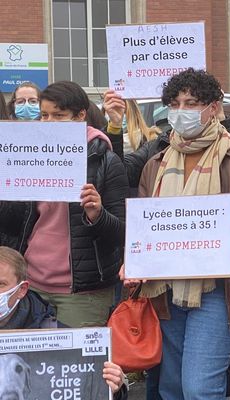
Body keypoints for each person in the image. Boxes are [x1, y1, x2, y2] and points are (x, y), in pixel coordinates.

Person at [121, 68, 230, 399]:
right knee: (173, 387)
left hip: (220, 290)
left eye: (191, 103)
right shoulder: (156, 164)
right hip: (165, 290)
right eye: (175, 103)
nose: (181, 111)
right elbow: (147, 227)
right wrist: (133, 261)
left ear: (213, 106)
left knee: (200, 387)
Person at [0, 81, 128, 328]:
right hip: (32, 285)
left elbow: (123, 233)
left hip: (83, 294)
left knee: (77, 365)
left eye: (59, 115)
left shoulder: (105, 161)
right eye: (44, 115)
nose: (49, 123)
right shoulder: (28, 155)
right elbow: (15, 222)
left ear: (80, 116)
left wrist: (97, 215)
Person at [0, 246, 128, 399]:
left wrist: (115, 389)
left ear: (22, 289)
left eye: (1, 284)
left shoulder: (58, 335)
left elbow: (90, 390)